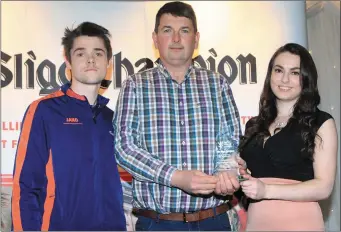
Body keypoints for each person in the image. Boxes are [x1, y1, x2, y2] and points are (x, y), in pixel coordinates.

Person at [113, 1, 245, 231]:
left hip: (214, 220)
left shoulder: (218, 84)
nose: (175, 39)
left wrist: (226, 174)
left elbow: (229, 142)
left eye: (184, 31)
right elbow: (124, 148)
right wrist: (175, 177)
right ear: (155, 39)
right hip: (159, 223)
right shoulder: (135, 85)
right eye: (167, 30)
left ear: (196, 38)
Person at [11, 22, 126, 231]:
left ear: (108, 62)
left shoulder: (113, 118)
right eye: (81, 53)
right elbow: (26, 187)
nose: (91, 59)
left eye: (98, 53)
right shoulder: (44, 111)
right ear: (68, 61)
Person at [239, 43, 338, 231]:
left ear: (306, 79)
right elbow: (249, 180)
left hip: (300, 224)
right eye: (278, 70)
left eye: (294, 72)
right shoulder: (254, 125)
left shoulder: (321, 123)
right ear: (270, 75)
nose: (284, 79)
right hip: (256, 223)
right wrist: (240, 171)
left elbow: (324, 187)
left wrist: (267, 190)